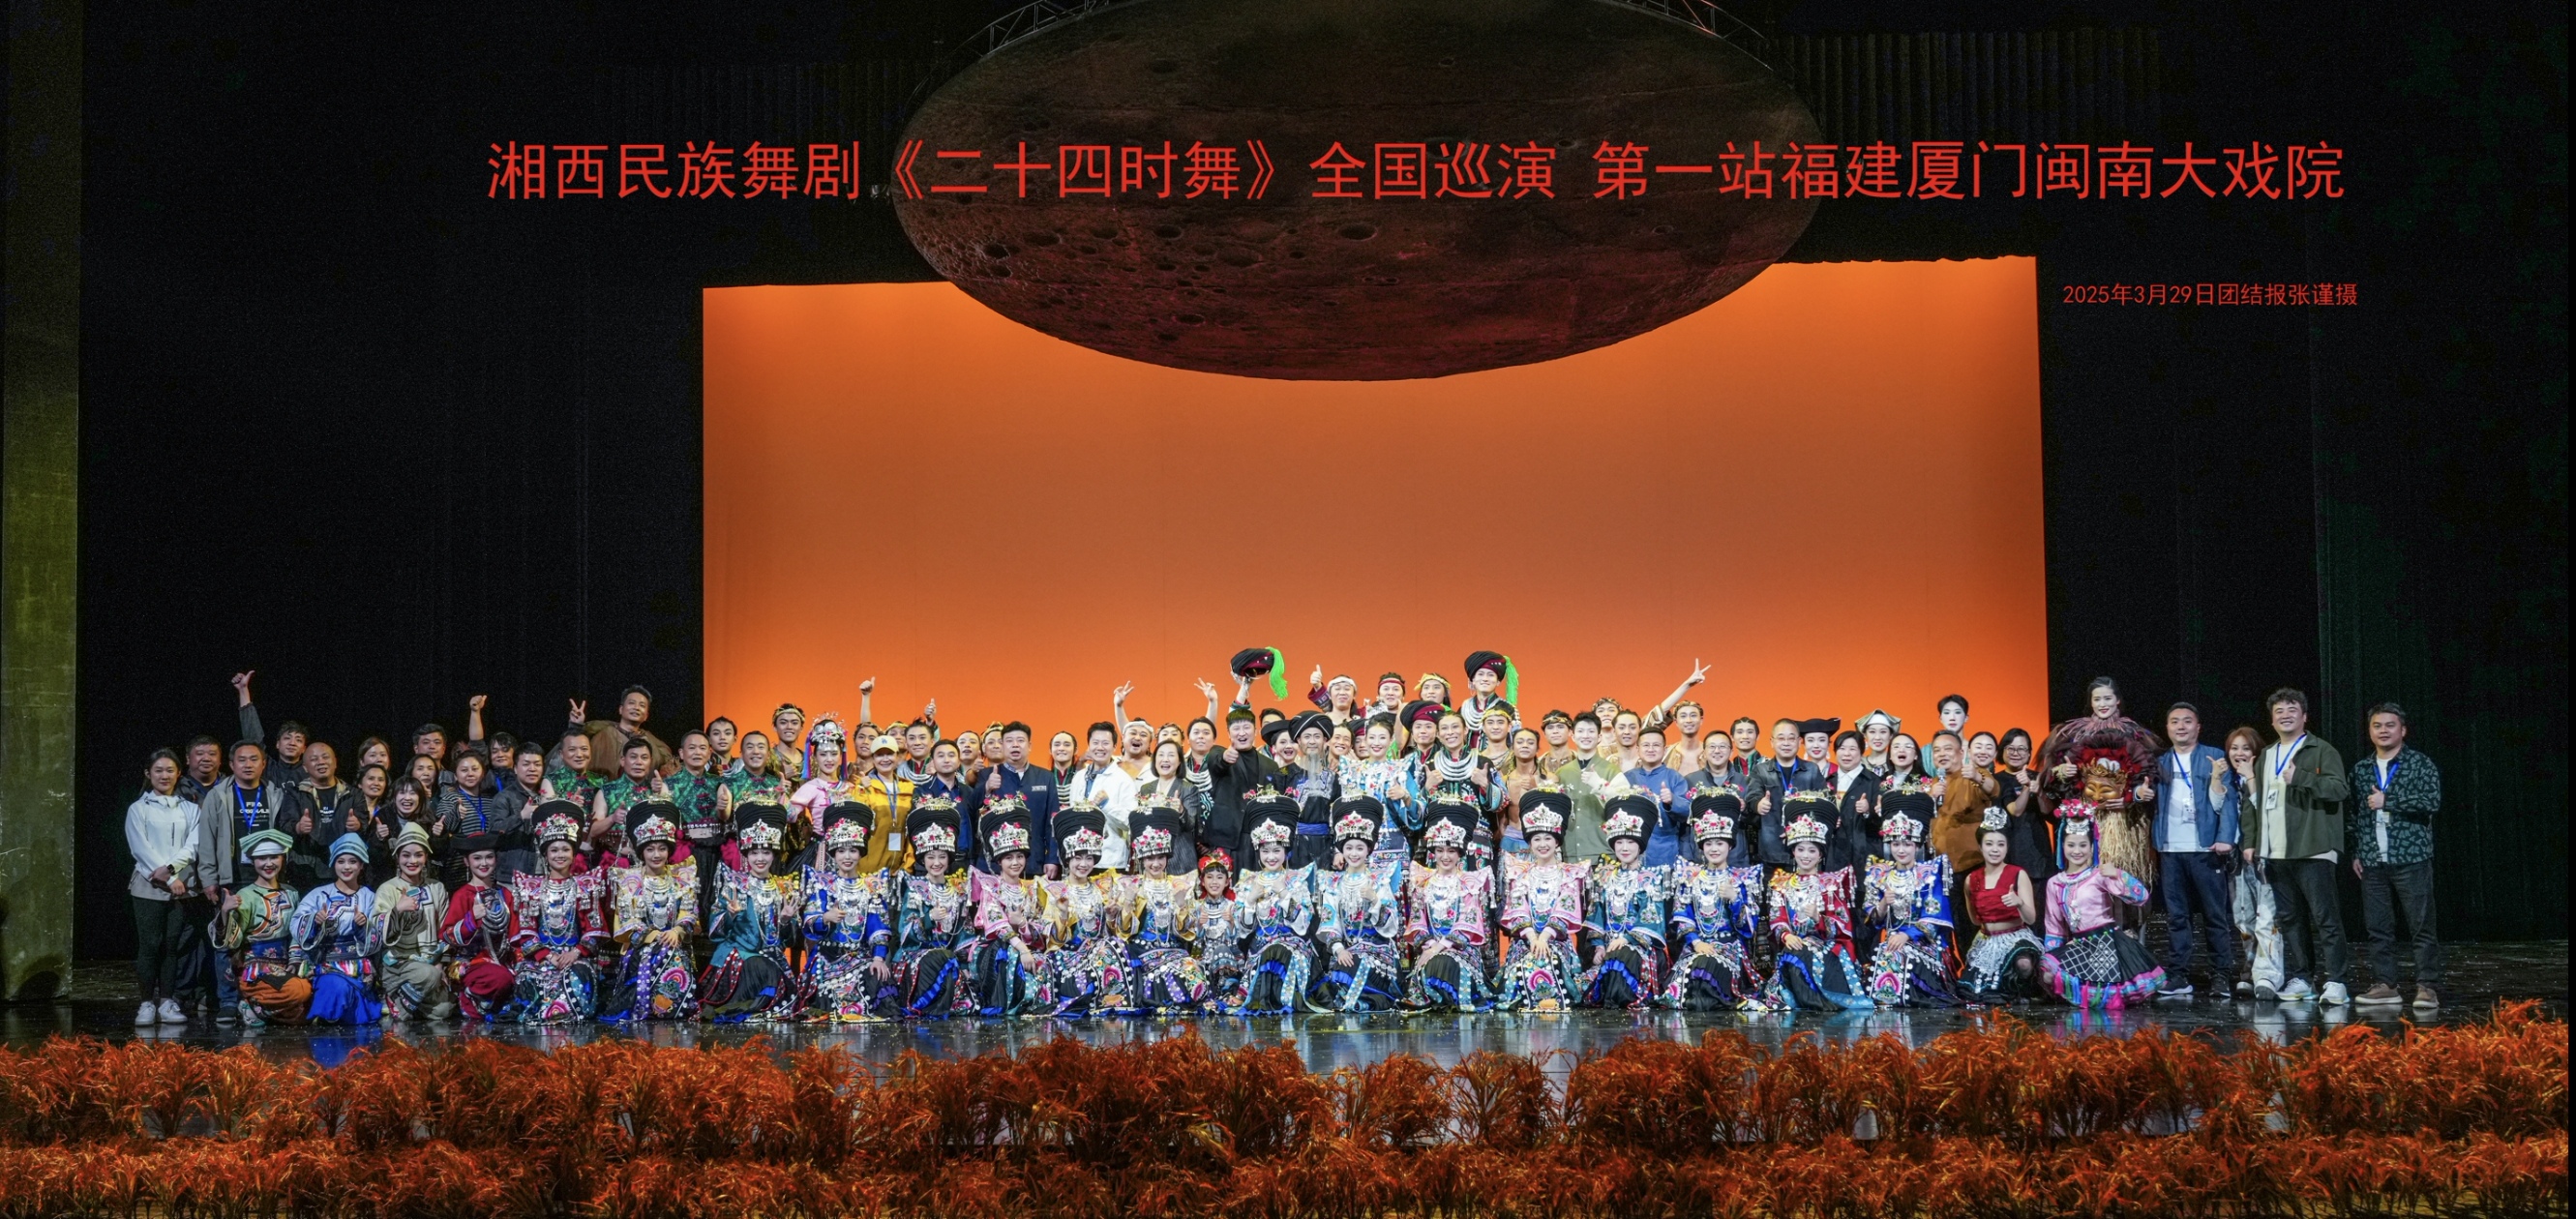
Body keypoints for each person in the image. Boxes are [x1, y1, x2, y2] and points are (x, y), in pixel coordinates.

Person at [2242, 688, 2352, 1005]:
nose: (2285, 715)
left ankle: (2337, 981)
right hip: (2276, 851)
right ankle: (2303, 978)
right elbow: (2254, 801)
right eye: (2279, 711)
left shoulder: (2321, 750)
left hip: (2313, 847)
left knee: (2325, 918)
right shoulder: (2267, 755)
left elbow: (2339, 789)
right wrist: (2251, 841)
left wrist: (2301, 777)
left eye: (2292, 709)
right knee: (2291, 919)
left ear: (2304, 716)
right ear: (2272, 720)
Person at [2350, 702, 2442, 1010]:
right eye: (2377, 725)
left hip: (2411, 856)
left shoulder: (2419, 763)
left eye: (2390, 725)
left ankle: (2427, 986)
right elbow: (2355, 815)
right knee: (2378, 927)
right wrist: (2357, 851)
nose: (2383, 731)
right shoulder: (2361, 769)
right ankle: (2385, 984)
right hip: (2373, 859)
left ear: (2403, 730)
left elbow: (2431, 801)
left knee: (2421, 926)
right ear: (2369, 731)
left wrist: (2388, 800)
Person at [2037, 677, 2162, 887]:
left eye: (2107, 698)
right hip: (2087, 818)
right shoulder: (2073, 734)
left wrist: (2131, 798)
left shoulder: (2135, 733)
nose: (2103, 704)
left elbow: (2149, 775)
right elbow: (2052, 779)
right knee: (2087, 878)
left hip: (2124, 821)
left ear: (2117, 700)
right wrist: (2062, 772)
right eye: (2097, 699)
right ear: (2090, 702)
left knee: (2123, 877)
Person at [2152, 703, 2239, 999]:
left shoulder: (2214, 756)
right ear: (2167, 728)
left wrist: (2225, 838)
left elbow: (2228, 802)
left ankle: (2221, 975)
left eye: (2187, 721)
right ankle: (2178, 975)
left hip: (2205, 847)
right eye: (2175, 721)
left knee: (2215, 916)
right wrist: (2139, 792)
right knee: (2177, 916)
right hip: (2170, 849)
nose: (2181, 726)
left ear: (2198, 727)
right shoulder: (2159, 762)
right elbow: (2144, 795)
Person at [2040, 806, 2164, 1008]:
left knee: (2107, 992)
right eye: (2071, 845)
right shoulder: (2055, 883)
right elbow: (2054, 926)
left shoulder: (2099, 874)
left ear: (2092, 847)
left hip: (2107, 942)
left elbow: (2140, 896)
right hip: (2079, 944)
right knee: (2048, 973)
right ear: (2062, 846)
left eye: (2083, 845)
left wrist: (2118, 874)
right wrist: (2054, 956)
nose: (2077, 851)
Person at [696, 803, 804, 1022]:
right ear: (746, 855)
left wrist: (785, 921)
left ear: (774, 855)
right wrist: (730, 915)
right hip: (739, 953)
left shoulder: (783, 888)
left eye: (766, 852)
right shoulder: (735, 885)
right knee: (764, 969)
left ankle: (763, 1007)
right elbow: (715, 933)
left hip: (772, 956)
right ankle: (754, 1008)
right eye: (754, 852)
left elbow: (789, 940)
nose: (760, 858)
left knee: (779, 980)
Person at [1761, 799, 1872, 1012]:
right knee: (1795, 952)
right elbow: (1777, 918)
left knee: (1803, 954)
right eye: (1800, 849)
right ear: (1793, 851)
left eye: (1812, 851)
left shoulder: (1831, 883)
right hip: (1794, 943)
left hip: (1826, 946)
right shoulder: (1781, 884)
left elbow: (1844, 926)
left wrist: (1819, 918)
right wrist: (1786, 935)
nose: (1805, 855)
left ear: (1820, 854)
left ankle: (1815, 1000)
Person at [1662, 793, 1768, 1011]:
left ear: (1730, 846)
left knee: (1707, 969)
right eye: (1709, 843)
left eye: (1720, 843)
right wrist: (1696, 943)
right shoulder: (1690, 877)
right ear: (1702, 847)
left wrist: (1735, 899)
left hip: (1729, 947)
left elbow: (1749, 927)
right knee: (1692, 974)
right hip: (1697, 947)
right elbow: (1682, 916)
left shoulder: (1742, 879)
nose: (1714, 849)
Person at [508, 804, 610, 1024]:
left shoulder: (585, 886)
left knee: (577, 976)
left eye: (565, 849)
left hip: (575, 956)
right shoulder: (531, 887)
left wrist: (575, 953)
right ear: (545, 855)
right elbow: (526, 930)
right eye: (554, 850)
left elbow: (594, 929)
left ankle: (563, 1013)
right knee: (528, 978)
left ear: (573, 854)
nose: (560, 855)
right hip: (542, 957)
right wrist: (548, 956)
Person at [1308, 798, 1407, 1012]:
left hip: (1379, 953)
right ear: (1342, 850)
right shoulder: (1333, 883)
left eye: (1359, 848)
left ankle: (1362, 999)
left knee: (1355, 966)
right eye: (1349, 848)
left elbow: (1391, 926)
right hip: (1348, 951)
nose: (1354, 853)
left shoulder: (1379, 880)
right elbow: (1330, 923)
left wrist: (1375, 900)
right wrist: (1339, 949)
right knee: (1340, 970)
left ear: (1368, 850)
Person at [604, 802, 700, 1022]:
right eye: (650, 849)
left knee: (672, 954)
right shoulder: (629, 880)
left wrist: (676, 931)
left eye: (662, 848)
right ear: (641, 852)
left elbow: (690, 911)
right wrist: (655, 936)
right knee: (659, 953)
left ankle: (671, 1007)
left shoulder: (681, 877)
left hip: (675, 943)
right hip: (642, 948)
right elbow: (627, 920)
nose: (657, 855)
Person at [126, 749, 201, 1026]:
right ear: (148, 773)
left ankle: (167, 1001)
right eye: (158, 770)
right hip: (149, 884)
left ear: (178, 773)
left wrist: (171, 870)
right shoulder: (138, 809)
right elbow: (140, 848)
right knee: (150, 944)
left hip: (180, 885)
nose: (164, 775)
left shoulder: (190, 808)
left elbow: (193, 844)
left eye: (170, 770)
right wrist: (168, 878)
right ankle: (146, 1003)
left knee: (172, 945)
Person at [1858, 810, 1962, 1007]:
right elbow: (1873, 919)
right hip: (1890, 939)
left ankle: (1895, 997)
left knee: (1896, 952)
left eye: (1907, 844)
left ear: (1917, 846)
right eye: (1896, 844)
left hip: (1925, 941)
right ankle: (1888, 997)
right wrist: (1883, 903)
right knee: (1887, 951)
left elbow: (1934, 914)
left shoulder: (1929, 874)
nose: (1901, 850)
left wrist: (1907, 935)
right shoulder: (1880, 874)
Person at [802, 803, 895, 1022]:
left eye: (853, 850)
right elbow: (809, 921)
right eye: (841, 851)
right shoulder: (822, 884)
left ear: (860, 853)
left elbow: (878, 926)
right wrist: (826, 918)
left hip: (860, 956)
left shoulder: (871, 886)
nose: (847, 857)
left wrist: (878, 958)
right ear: (833, 853)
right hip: (828, 958)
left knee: (878, 978)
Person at [1494, 788, 1585, 1011]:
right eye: (1537, 839)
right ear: (1529, 842)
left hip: (1556, 941)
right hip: (1526, 940)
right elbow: (1517, 908)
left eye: (1548, 838)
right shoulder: (1520, 873)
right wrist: (1533, 937)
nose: (1542, 844)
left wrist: (1544, 937)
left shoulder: (1569, 874)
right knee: (1525, 964)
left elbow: (1565, 909)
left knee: (1549, 961)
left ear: (1557, 842)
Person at [889, 800, 978, 1019]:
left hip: (948, 955)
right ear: (923, 859)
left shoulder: (958, 891)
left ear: (949, 859)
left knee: (951, 958)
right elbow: (904, 932)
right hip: (915, 954)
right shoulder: (915, 888)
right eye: (931, 857)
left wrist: (965, 964)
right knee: (941, 957)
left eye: (942, 856)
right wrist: (928, 918)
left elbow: (965, 933)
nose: (936, 862)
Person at [1039, 804, 1132, 1014]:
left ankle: (1113, 1000)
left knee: (1114, 945)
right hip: (1069, 957)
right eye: (1077, 857)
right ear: (1067, 859)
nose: (1083, 864)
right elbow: (1052, 940)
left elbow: (1113, 934)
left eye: (1089, 858)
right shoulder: (1056, 890)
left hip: (1100, 953)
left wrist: (1111, 917)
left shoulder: (1103, 888)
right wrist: (1063, 915)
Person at [1402, 801, 1494, 1011]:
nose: (1445, 856)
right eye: (1440, 850)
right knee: (1431, 963)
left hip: (1460, 950)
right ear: (1433, 852)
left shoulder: (1469, 883)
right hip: (1430, 948)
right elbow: (1417, 921)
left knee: (1443, 961)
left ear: (1459, 853)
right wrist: (1429, 946)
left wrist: (1439, 947)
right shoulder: (1423, 882)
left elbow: (1468, 923)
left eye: (1451, 851)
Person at [1232, 796, 1319, 1015]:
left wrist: (1284, 893)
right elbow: (1243, 930)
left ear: (1286, 851)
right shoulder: (1248, 881)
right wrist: (1250, 901)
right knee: (1267, 952)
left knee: (1278, 950)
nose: (1271, 857)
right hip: (1259, 949)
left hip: (1294, 946)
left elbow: (1303, 924)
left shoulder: (1297, 879)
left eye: (1276, 851)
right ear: (1258, 852)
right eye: (1265, 851)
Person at [968, 799, 1056, 1016]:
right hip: (996, 949)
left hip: (1027, 946)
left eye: (1019, 857)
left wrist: (1023, 925)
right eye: (1009, 858)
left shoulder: (1032, 888)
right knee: (1012, 956)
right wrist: (1023, 948)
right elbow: (998, 926)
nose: (1015, 863)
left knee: (1048, 960)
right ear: (999, 861)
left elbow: (1039, 926)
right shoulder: (991, 887)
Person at [1121, 805, 1213, 1012]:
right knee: (1176, 976)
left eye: (1160, 857)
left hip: (1175, 950)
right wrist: (1127, 903)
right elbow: (1124, 932)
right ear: (1141, 858)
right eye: (1150, 858)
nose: (1156, 864)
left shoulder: (1180, 884)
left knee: (1194, 972)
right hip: (1143, 951)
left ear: (1167, 857)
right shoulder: (1131, 885)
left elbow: (1188, 933)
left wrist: (1182, 906)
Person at [1580, 793, 1666, 1010]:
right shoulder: (1605, 876)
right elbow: (1596, 916)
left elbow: (1651, 919)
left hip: (1638, 948)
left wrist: (1626, 939)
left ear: (1640, 845)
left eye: (1630, 842)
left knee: (1620, 958)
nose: (1624, 848)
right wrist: (1599, 947)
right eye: (1619, 842)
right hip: (1609, 947)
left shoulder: (1649, 879)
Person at [217, 829, 308, 1026]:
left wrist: (295, 959)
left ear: (282, 858)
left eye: (274, 857)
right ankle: (252, 1004)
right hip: (256, 969)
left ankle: (261, 1009)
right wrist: (225, 912)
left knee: (308, 1000)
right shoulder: (246, 895)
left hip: (285, 965)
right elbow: (233, 942)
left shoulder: (291, 893)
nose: (268, 863)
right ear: (252, 861)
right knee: (299, 991)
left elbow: (296, 932)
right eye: (262, 858)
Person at [290, 834, 384, 1025]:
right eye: (341, 861)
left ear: (361, 865)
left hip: (357, 965)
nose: (346, 867)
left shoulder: (369, 896)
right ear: (334, 864)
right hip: (324, 962)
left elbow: (379, 932)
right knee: (335, 986)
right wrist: (315, 922)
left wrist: (362, 926)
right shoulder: (318, 894)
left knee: (351, 997)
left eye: (353, 862)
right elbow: (296, 922)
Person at [1960, 809, 2047, 1004]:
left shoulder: (2018, 874)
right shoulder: (1971, 879)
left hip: (2014, 937)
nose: (1995, 849)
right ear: (1980, 847)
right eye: (1989, 844)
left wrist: (2019, 903)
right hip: (1986, 940)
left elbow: (2031, 918)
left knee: (2023, 964)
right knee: (1977, 994)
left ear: (2007, 847)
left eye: (2001, 844)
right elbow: (1975, 920)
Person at [373, 822, 454, 1021]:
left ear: (426, 858)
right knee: (429, 976)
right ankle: (400, 1007)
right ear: (397, 858)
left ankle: (402, 999)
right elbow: (376, 929)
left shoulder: (437, 888)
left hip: (429, 963)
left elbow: (445, 929)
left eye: (418, 855)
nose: (412, 861)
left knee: (443, 1011)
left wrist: (440, 964)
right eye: (406, 855)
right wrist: (397, 910)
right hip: (397, 965)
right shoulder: (388, 889)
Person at [439, 830, 519, 1021]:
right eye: (477, 858)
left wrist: (522, 962)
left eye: (489, 857)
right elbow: (446, 936)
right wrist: (471, 919)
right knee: (501, 978)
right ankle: (469, 998)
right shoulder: (463, 895)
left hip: (503, 960)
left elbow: (515, 934)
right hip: (471, 962)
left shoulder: (505, 894)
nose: (484, 863)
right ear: (467, 862)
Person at [1751, 719, 1829, 868]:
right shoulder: (1761, 770)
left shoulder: (1812, 770)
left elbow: (1823, 804)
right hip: (1771, 850)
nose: (1786, 743)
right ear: (1772, 742)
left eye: (1791, 738)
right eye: (1781, 738)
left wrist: (1798, 829)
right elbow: (1752, 796)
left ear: (1799, 742)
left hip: (1805, 851)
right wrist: (1758, 804)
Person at [1063, 725, 1137, 873]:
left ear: (1114, 747)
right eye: (1095, 742)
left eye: (1105, 743)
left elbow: (1131, 822)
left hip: (1109, 860)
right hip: (1079, 859)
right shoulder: (1079, 777)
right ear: (1089, 745)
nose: (1100, 747)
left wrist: (1107, 804)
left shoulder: (1124, 780)